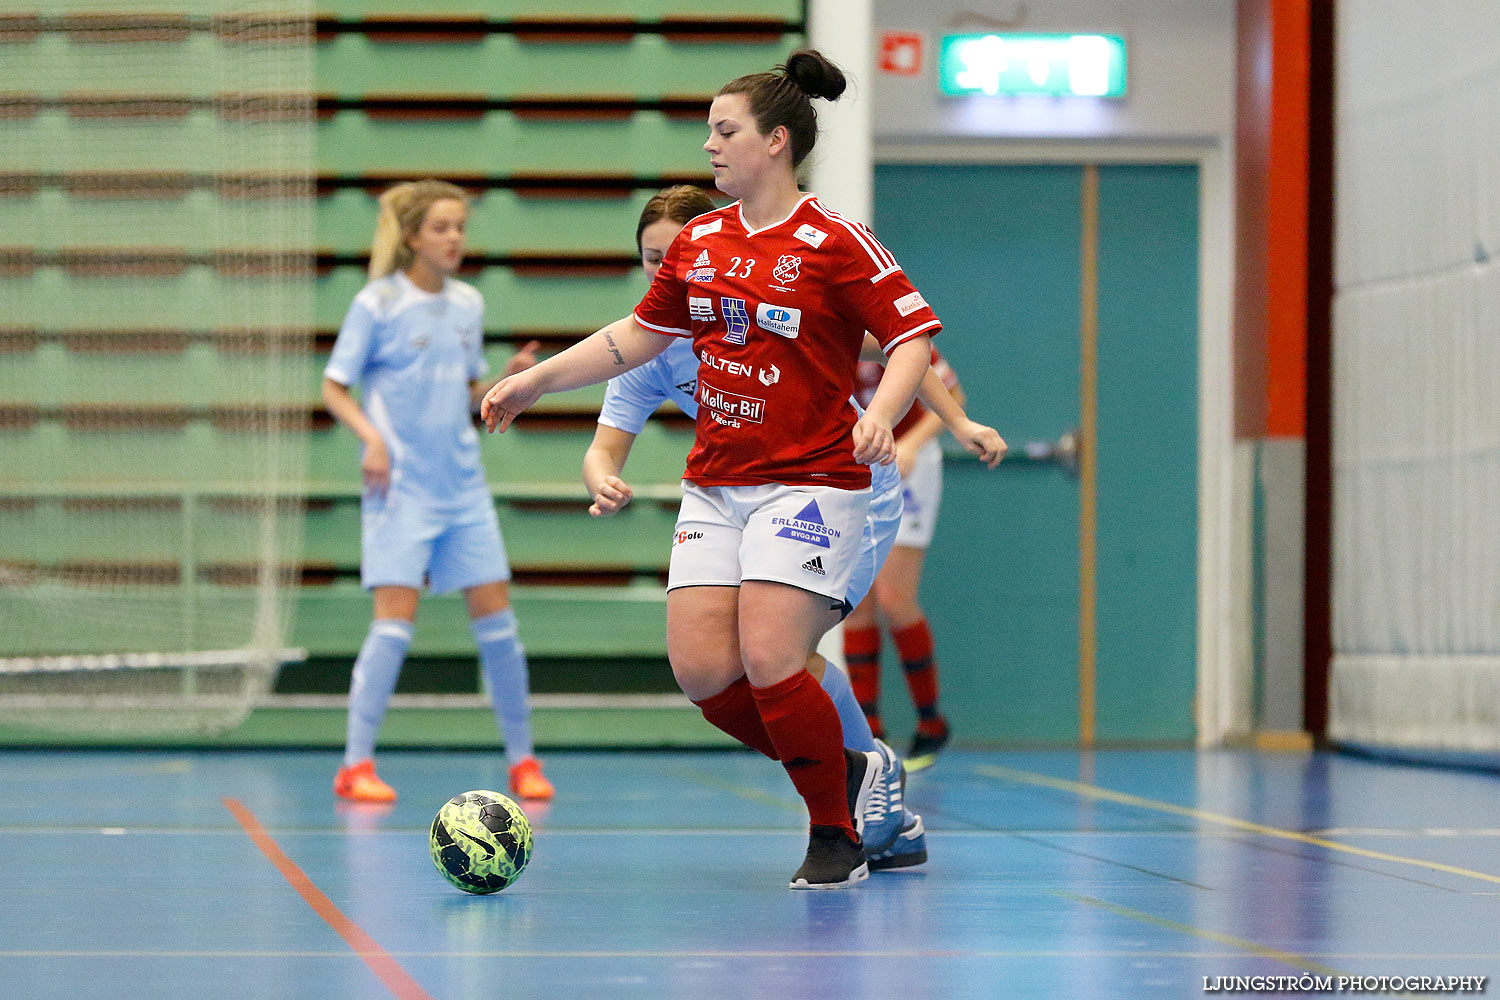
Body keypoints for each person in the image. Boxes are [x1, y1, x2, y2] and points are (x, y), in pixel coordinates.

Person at [484, 51, 946, 889]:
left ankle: (833, 833)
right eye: (707, 131)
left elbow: (912, 336)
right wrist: (535, 379)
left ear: (775, 141)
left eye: (723, 130)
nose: (709, 145)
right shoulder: (699, 241)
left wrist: (880, 414)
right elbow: (632, 340)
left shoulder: (833, 240)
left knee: (772, 654)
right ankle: (851, 769)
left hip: (812, 480)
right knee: (704, 671)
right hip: (719, 484)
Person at [583, 184, 1005, 869]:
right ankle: (874, 790)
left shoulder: (777, 303)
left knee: (775, 656)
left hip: (840, 486)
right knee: (720, 671)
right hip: (742, 493)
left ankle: (857, 800)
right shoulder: (652, 343)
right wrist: (599, 471)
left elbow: (903, 342)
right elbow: (608, 435)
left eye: (673, 257)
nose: (665, 272)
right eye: (651, 259)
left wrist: (955, 424)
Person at [321, 179, 554, 805]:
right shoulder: (377, 303)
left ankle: (523, 761)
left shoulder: (469, 304)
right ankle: (356, 764)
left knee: (500, 630)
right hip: (401, 492)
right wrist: (371, 439)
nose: (455, 238)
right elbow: (334, 387)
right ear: (413, 237)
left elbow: (462, 391)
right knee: (393, 628)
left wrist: (503, 381)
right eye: (442, 227)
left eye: (460, 226)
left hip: (464, 489)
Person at [844, 350, 965, 770]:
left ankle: (931, 723)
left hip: (907, 459)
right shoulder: (819, 317)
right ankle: (868, 732)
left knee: (894, 596)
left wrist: (910, 443)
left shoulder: (890, 319)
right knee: (854, 599)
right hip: (854, 459)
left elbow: (953, 393)